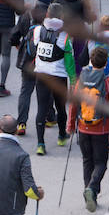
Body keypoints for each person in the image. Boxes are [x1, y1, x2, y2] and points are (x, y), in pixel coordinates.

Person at [67, 47, 109, 214]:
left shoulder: (81, 78)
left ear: (90, 60)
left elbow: (74, 104)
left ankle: (89, 193)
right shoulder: (108, 82)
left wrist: (71, 124)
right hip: (101, 128)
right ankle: (91, 188)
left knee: (87, 161)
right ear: (106, 64)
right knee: (101, 163)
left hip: (83, 127)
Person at [29, 10, 75, 154]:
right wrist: (73, 79)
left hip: (41, 74)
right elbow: (69, 62)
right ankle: (61, 136)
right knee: (60, 107)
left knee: (41, 108)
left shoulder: (37, 31)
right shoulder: (65, 36)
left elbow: (32, 51)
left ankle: (40, 144)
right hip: (58, 76)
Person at [14, 0, 51, 134]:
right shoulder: (49, 18)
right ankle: (48, 117)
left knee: (25, 91)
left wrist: (19, 45)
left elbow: (13, 36)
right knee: (46, 91)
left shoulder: (26, 15)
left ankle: (21, 124)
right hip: (45, 61)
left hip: (27, 60)